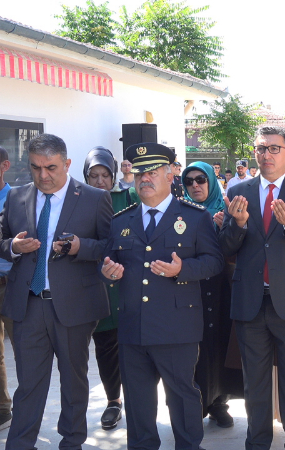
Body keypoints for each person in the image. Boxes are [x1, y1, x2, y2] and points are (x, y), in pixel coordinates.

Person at [101, 142, 224, 450]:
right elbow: (110, 260)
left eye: (153, 171)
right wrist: (110, 271)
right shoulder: (121, 221)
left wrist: (182, 269)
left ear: (171, 175)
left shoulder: (194, 217)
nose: (145, 178)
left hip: (176, 326)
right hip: (133, 327)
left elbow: (214, 261)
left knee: (182, 397)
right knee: (139, 403)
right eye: (140, 172)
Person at [1, 133, 113, 450]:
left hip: (74, 307)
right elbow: (3, 240)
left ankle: (72, 442)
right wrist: (13, 247)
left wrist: (81, 247)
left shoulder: (93, 198)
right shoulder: (17, 197)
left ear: (67, 164)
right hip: (28, 305)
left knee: (74, 381)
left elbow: (110, 246)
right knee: (30, 383)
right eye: (36, 168)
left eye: (51, 167)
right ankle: (21, 443)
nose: (43, 176)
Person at [220, 126, 285, 450]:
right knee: (255, 383)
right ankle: (257, 443)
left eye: (273, 149)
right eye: (260, 148)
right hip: (251, 303)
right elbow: (225, 247)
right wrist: (237, 226)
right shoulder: (240, 190)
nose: (266, 155)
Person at [182, 161, 243, 428]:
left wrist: (226, 227)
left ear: (211, 181)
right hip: (190, 290)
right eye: (189, 181)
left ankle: (219, 403)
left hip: (221, 290)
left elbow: (237, 249)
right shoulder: (179, 213)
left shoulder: (226, 211)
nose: (195, 185)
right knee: (192, 348)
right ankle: (194, 404)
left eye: (200, 180)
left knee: (218, 345)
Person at [83, 146, 134, 430]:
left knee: (135, 349)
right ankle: (113, 401)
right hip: (97, 286)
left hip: (127, 286)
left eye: (105, 174)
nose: (100, 180)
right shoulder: (78, 201)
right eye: (94, 175)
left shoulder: (127, 198)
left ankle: (140, 400)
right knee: (105, 348)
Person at [0, 146, 13, 431]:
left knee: (26, 350)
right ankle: (2, 406)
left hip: (12, 284)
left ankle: (28, 410)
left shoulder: (17, 198)